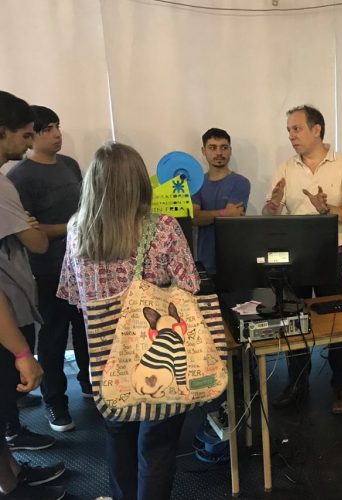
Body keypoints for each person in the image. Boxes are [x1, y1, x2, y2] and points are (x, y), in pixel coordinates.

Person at [57, 142, 200, 500]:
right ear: (139, 182)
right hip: (159, 356)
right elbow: (189, 288)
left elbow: (73, 295)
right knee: (158, 443)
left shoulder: (77, 229)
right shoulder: (162, 228)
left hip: (105, 359)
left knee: (118, 436)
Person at [263, 105, 342, 413]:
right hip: (295, 259)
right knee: (295, 323)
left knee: (339, 325)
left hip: (333, 256)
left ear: (316, 129)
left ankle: (340, 387)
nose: (291, 135)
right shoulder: (286, 168)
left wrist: (325, 209)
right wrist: (273, 205)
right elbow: (269, 215)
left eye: (296, 129)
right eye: (289, 130)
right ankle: (297, 384)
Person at [7, 105, 90, 433]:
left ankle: (89, 383)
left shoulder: (69, 165)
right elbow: (28, 231)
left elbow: (86, 208)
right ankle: (55, 402)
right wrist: (73, 226)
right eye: (48, 129)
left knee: (85, 331)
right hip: (47, 269)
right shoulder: (19, 177)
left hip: (82, 265)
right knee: (54, 338)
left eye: (58, 126)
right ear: (32, 136)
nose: (56, 134)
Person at [0, 90, 66, 500]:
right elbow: (38, 242)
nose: (28, 144)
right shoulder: (7, 186)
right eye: (26, 135)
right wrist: (24, 353)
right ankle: (9, 488)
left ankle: (12, 473)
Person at [191, 128, 250, 274]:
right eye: (212, 147)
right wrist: (225, 212)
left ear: (230, 150)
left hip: (235, 262)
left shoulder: (240, 182)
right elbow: (195, 218)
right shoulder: (195, 184)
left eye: (224, 147)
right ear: (204, 151)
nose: (219, 152)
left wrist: (208, 215)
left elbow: (231, 219)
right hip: (204, 263)